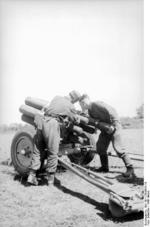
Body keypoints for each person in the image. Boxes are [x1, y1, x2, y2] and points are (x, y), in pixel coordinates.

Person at [27, 90, 81, 186]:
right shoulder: (70, 105)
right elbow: (75, 119)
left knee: (38, 150)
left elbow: (50, 108)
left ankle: (31, 176)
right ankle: (50, 181)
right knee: (53, 151)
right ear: (74, 99)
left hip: (41, 121)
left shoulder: (56, 97)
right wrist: (77, 118)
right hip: (51, 123)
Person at [79, 94, 134, 178]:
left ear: (84, 102)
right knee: (100, 147)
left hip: (114, 126)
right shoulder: (90, 111)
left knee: (118, 148)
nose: (82, 105)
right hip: (105, 129)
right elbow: (95, 121)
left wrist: (113, 124)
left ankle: (130, 169)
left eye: (82, 103)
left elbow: (112, 110)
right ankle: (104, 168)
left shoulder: (96, 104)